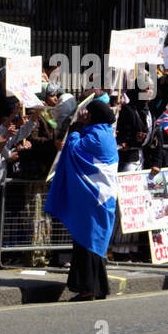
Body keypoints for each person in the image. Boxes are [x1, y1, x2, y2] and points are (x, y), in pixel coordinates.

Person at [45, 100, 119, 301]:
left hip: (94, 199)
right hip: (102, 198)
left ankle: (88, 288)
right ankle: (97, 287)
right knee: (91, 240)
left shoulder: (95, 136)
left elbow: (73, 147)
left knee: (88, 241)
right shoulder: (107, 134)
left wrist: (77, 126)